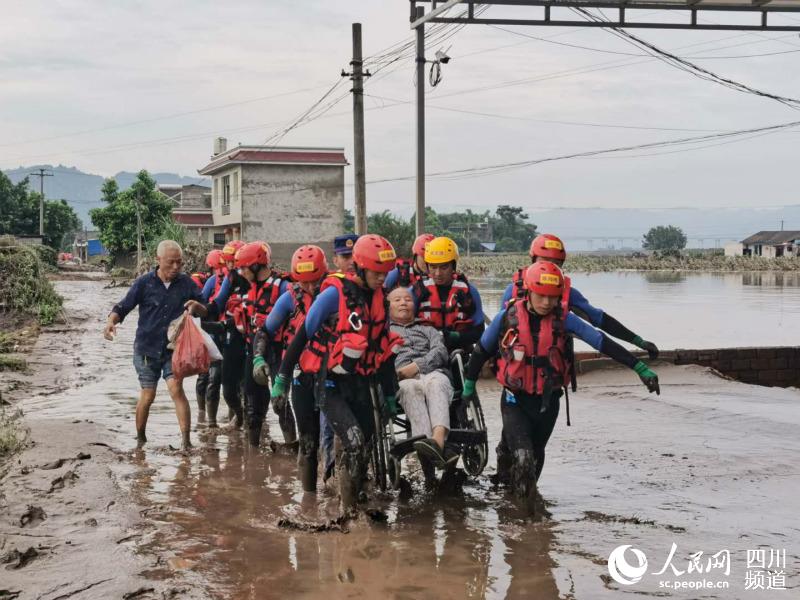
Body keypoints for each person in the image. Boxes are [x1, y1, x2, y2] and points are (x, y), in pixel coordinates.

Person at [463, 262, 660, 513]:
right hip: (515, 399)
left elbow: (601, 341)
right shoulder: (507, 317)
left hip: (549, 400)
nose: (547, 302)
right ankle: (523, 519)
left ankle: (522, 502)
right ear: (529, 292)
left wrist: (639, 368)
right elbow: (481, 352)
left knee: (534, 455)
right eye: (541, 295)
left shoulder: (565, 320)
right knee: (522, 457)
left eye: (552, 297)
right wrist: (469, 388)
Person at [495, 233, 660, 482]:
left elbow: (599, 325)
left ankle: (528, 504)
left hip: (549, 376)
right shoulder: (512, 292)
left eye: (556, 264)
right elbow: (497, 334)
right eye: (543, 260)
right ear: (531, 260)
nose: (549, 269)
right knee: (513, 441)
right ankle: (504, 476)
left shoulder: (566, 296)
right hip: (518, 376)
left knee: (535, 450)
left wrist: (637, 343)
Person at [271, 234, 402, 512]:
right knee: (338, 441)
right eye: (378, 273)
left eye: (385, 274)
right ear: (362, 268)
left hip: (360, 383)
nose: (383, 279)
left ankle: (349, 503)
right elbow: (302, 336)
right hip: (329, 383)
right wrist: (281, 379)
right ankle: (315, 504)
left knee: (362, 444)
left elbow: (384, 350)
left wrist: (390, 395)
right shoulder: (334, 293)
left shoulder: (381, 299)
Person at [103, 240, 208, 450]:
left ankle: (186, 442)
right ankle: (141, 439)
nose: (176, 267)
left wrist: (198, 307)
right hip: (146, 349)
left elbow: (207, 309)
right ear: (158, 260)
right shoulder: (144, 283)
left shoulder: (187, 283)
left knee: (176, 389)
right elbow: (123, 307)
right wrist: (110, 323)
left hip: (173, 349)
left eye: (180, 262)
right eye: (171, 263)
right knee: (148, 394)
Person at [254, 245, 328, 492]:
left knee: (334, 439)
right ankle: (309, 501)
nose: (310, 288)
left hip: (335, 377)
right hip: (301, 375)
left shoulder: (338, 293)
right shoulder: (289, 298)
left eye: (314, 281)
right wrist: (258, 359)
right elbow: (265, 330)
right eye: (304, 283)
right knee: (308, 440)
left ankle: (338, 487)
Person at [225, 241, 296, 448]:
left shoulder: (283, 287)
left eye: (244, 268)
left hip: (279, 351)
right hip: (254, 349)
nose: (241, 272)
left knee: (280, 402)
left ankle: (291, 444)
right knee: (251, 404)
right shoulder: (251, 288)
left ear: (255, 267)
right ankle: (253, 453)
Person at [387, 286, 457, 469]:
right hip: (402, 378)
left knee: (436, 384)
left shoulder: (428, 329)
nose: (403, 302)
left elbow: (441, 351)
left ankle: (437, 441)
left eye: (408, 299)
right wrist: (402, 372)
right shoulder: (384, 333)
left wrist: (417, 366)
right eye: (397, 300)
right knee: (411, 389)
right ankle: (431, 447)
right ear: (388, 307)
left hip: (433, 372)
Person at [413, 236, 485, 353]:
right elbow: (404, 328)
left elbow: (479, 332)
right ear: (427, 266)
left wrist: (454, 337)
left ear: (453, 266)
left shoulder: (470, 292)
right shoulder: (417, 291)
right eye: (433, 267)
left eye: (444, 267)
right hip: (425, 351)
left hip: (459, 351)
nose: (438, 273)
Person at [194, 248, 228, 428]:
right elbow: (203, 304)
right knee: (210, 376)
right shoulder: (214, 281)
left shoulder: (218, 281)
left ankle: (206, 417)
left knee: (210, 376)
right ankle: (206, 416)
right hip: (213, 333)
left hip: (220, 333)